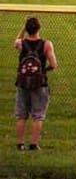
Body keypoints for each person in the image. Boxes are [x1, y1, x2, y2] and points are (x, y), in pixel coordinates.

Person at [14, 16, 57, 151]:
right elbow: (53, 64)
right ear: (39, 28)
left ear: (27, 29)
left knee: (22, 115)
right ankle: (33, 144)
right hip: (39, 83)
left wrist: (22, 30)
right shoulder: (46, 44)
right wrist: (43, 71)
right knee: (38, 115)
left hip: (22, 83)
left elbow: (16, 42)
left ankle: (20, 144)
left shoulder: (22, 44)